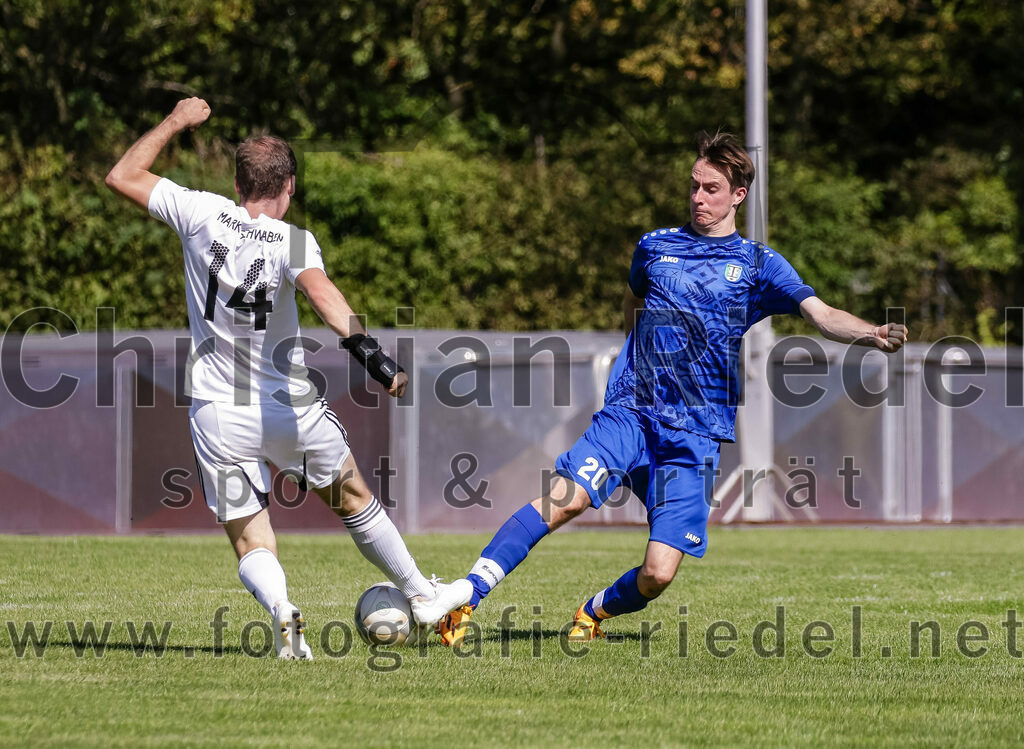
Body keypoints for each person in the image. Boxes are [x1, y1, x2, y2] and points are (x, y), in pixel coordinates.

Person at [437, 130, 909, 646]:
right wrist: (632, 356)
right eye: (694, 186)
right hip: (632, 411)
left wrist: (871, 333)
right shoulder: (655, 246)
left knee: (658, 574)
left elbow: (821, 315)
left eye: (710, 188)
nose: (698, 198)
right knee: (564, 499)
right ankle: (465, 598)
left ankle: (593, 611)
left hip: (697, 433)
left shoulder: (758, 264)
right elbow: (631, 303)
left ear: (738, 195)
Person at [106, 96, 471, 659]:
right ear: (290, 186)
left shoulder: (199, 211)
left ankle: (282, 611)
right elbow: (324, 296)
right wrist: (378, 363)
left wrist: (178, 121)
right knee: (355, 500)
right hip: (289, 409)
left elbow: (122, 174)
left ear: (235, 180)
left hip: (216, 412)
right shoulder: (292, 241)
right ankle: (422, 595)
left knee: (252, 539)